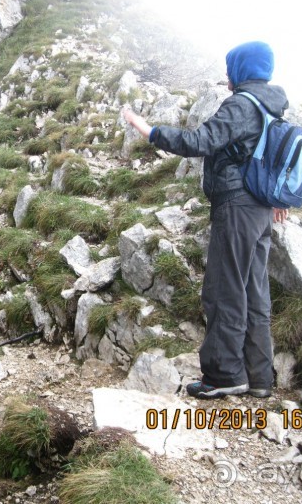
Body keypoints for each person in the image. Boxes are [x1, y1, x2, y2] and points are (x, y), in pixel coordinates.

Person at [123, 41, 289, 400]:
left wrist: (150, 131)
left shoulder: (242, 105)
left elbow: (200, 141)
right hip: (261, 211)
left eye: (231, 68)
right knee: (254, 293)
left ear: (242, 70)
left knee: (224, 291)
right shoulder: (274, 106)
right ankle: (259, 377)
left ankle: (224, 375)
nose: (227, 76)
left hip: (237, 207)